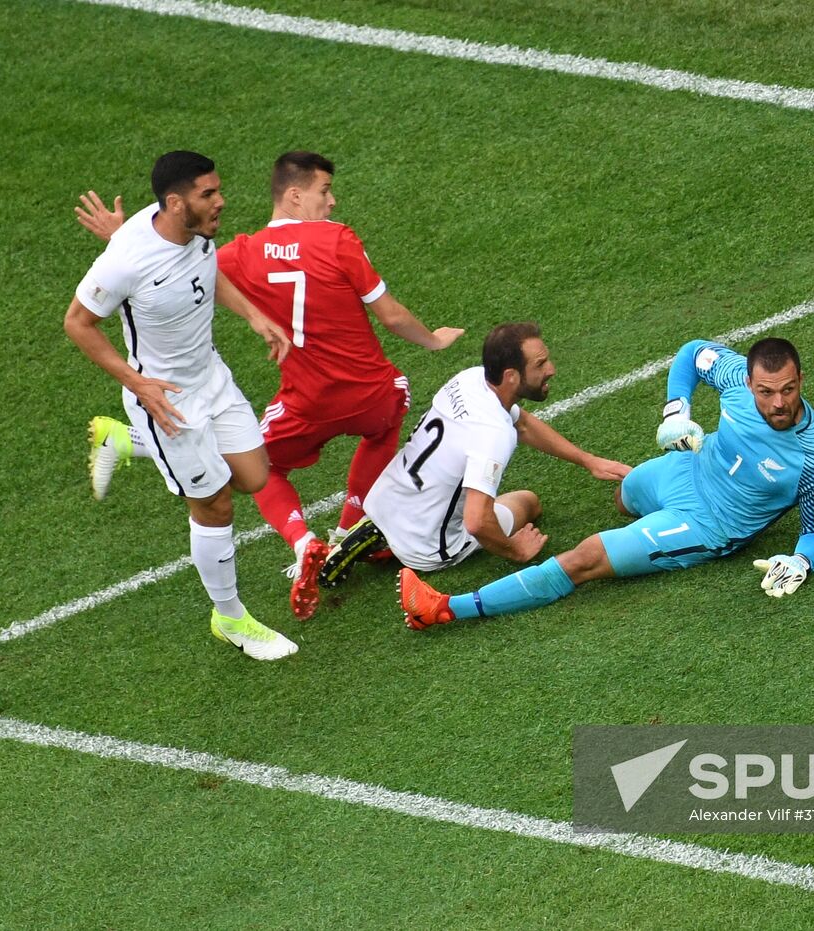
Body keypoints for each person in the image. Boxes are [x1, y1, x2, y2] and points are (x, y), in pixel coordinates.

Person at [75, 151, 464, 621]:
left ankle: (302, 541)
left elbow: (178, 264)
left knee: (257, 473)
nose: (333, 202)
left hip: (298, 403)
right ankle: (341, 533)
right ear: (297, 195)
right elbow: (393, 315)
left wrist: (122, 241)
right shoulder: (338, 240)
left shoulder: (241, 250)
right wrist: (435, 340)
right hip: (365, 394)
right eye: (325, 191)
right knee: (391, 403)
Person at [396, 336, 814, 628]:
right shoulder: (734, 380)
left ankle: (445, 608)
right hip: (687, 469)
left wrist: (802, 561)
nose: (778, 403)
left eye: (787, 389)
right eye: (765, 392)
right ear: (748, 382)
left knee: (583, 559)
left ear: (801, 379)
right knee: (623, 498)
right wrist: (676, 411)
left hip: (710, 523)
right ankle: (645, 526)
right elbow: (690, 353)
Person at [64, 150, 298, 661]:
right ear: (175, 202)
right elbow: (78, 323)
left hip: (212, 378)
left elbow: (204, 274)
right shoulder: (125, 260)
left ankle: (121, 440)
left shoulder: (195, 234)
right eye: (208, 194)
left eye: (217, 190)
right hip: (166, 401)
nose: (221, 201)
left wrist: (254, 316)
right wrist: (138, 384)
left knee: (254, 476)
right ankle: (231, 618)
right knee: (214, 502)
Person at [318, 323, 632, 585]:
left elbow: (522, 423)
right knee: (528, 502)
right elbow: (476, 522)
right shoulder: (493, 433)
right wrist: (515, 551)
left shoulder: (469, 379)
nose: (551, 369)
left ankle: (385, 534)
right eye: (540, 365)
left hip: (384, 500)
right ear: (511, 375)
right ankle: (395, 549)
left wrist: (587, 460)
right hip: (428, 546)